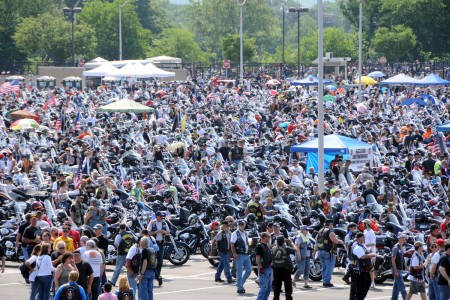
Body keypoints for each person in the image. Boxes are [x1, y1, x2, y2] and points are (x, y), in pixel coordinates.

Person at [314, 219, 344, 287]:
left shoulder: (320, 231)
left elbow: (316, 242)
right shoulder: (330, 231)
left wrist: (314, 251)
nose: (332, 226)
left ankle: (324, 280)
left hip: (320, 251)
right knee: (329, 267)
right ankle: (326, 282)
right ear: (330, 225)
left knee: (324, 267)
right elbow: (335, 241)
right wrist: (340, 241)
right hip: (328, 252)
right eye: (332, 225)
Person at [351, 232, 377, 300]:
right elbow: (362, 256)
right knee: (361, 288)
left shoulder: (362, 245)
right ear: (359, 238)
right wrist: (372, 255)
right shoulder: (357, 247)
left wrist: (370, 252)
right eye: (363, 237)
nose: (364, 239)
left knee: (367, 283)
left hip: (365, 270)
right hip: (360, 271)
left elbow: (365, 251)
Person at [148, 211, 169, 286]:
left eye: (162, 217)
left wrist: (164, 232)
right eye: (160, 216)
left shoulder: (164, 223)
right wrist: (156, 232)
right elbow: (148, 233)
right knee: (153, 260)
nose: (161, 218)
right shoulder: (152, 223)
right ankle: (154, 274)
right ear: (157, 216)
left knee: (160, 260)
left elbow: (168, 232)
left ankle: (157, 274)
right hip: (154, 243)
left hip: (161, 242)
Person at [230, 219, 252, 294]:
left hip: (246, 254)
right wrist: (234, 253)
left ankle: (240, 283)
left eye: (242, 224)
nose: (241, 226)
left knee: (249, 270)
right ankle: (240, 287)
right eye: (240, 224)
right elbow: (232, 244)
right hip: (239, 254)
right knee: (239, 271)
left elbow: (247, 242)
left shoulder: (246, 233)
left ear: (244, 225)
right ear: (238, 225)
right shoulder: (235, 233)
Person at [272, 236, 294, 300]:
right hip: (285, 269)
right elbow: (295, 249)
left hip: (276, 269)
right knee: (288, 287)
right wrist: (291, 243)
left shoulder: (273, 248)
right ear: (283, 241)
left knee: (277, 287)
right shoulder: (286, 248)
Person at [255, 232, 272, 300]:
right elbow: (258, 258)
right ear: (264, 237)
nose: (269, 238)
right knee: (264, 287)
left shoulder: (266, 246)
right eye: (268, 236)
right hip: (264, 269)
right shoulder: (259, 246)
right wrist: (261, 268)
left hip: (269, 268)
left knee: (269, 287)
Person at [391, 233, 407, 300]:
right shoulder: (396, 248)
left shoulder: (401, 247)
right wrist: (395, 271)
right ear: (399, 238)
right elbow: (393, 259)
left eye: (404, 238)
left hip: (400, 269)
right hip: (397, 269)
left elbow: (403, 260)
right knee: (402, 288)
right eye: (402, 238)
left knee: (396, 287)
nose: (403, 239)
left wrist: (407, 268)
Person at [363, 218, 377, 288]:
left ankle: (372, 282)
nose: (363, 225)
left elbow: (373, 243)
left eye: (364, 223)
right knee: (365, 267)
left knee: (371, 267)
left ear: (367, 224)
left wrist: (366, 246)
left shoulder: (372, 232)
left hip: (371, 251)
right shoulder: (365, 231)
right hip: (365, 250)